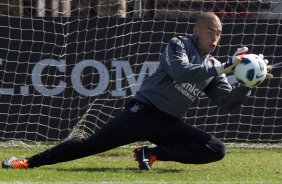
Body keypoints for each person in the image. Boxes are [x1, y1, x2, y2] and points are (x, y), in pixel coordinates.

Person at [2, 12, 272, 170]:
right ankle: (27, 162)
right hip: (142, 113)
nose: (215, 38)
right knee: (88, 145)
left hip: (168, 123)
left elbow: (226, 104)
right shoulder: (178, 44)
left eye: (219, 33)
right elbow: (182, 72)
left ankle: (150, 153)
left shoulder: (214, 65)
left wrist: (248, 85)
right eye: (210, 31)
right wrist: (225, 67)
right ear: (197, 31)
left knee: (215, 148)